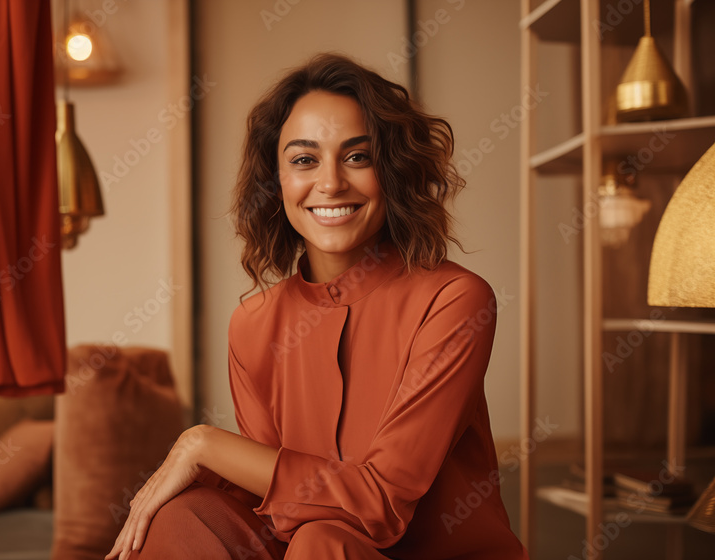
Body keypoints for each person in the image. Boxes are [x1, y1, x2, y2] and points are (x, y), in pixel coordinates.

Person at [106, 53, 529, 560]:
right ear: (277, 179)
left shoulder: (454, 300)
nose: (330, 183)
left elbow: (382, 504)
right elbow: (272, 505)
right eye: (305, 160)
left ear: (390, 171)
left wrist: (202, 444)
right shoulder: (253, 324)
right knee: (189, 518)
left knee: (320, 542)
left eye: (357, 157)